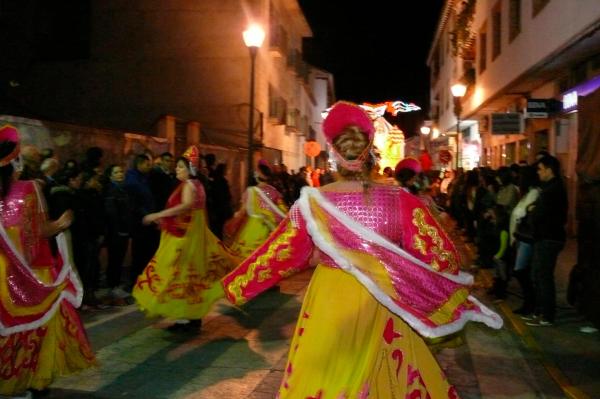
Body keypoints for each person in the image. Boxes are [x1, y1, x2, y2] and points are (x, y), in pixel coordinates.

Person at [220, 102, 502, 398]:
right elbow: (442, 256)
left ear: (334, 155)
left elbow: (281, 253)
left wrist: (239, 284)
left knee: (327, 375)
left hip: (331, 297)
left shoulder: (312, 202)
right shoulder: (401, 200)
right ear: (370, 153)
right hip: (384, 293)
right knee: (388, 370)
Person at [0, 125, 95, 398]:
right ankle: (32, 383)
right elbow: (41, 230)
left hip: (3, 271)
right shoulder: (31, 187)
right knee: (38, 328)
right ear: (17, 162)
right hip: (34, 271)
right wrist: (63, 223)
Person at [132, 146, 235, 331]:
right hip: (192, 236)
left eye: (180, 167)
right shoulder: (198, 185)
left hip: (185, 238)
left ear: (190, 170)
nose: (177, 170)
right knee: (187, 278)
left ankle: (187, 318)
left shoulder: (189, 185)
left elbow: (186, 206)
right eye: (177, 167)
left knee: (173, 273)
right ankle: (190, 318)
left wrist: (157, 215)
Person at [524, 155, 568, 327]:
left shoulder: (553, 190)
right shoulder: (549, 188)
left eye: (540, 169)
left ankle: (546, 315)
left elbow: (539, 214)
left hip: (549, 238)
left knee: (543, 276)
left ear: (549, 170)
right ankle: (540, 311)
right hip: (545, 237)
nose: (538, 172)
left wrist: (532, 211)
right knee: (538, 274)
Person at [225, 160, 288, 259]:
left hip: (252, 227)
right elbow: (282, 210)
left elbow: (243, 211)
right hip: (269, 227)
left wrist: (234, 219)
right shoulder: (274, 191)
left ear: (256, 177)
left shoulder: (250, 191)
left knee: (247, 258)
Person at [510, 165, 540, 315]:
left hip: (527, 238)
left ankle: (530, 303)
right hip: (521, 237)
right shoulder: (527, 193)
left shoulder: (534, 193)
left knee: (520, 271)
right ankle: (529, 303)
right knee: (523, 271)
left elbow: (522, 213)